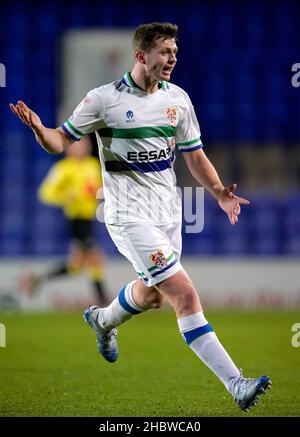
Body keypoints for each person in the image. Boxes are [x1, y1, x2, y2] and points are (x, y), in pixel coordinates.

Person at [10, 22, 271, 412]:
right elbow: (60, 140)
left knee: (152, 296)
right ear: (141, 56)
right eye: (165, 52)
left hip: (168, 213)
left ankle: (102, 320)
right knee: (183, 294)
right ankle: (236, 383)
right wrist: (39, 129)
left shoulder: (178, 100)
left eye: (175, 52)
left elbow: (194, 156)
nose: (173, 58)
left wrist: (218, 193)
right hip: (128, 216)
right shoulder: (103, 100)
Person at [21, 136, 109, 306]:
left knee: (76, 265)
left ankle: (38, 278)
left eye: (85, 144)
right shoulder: (63, 169)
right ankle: (103, 301)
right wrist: (66, 196)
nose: (82, 148)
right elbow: (45, 193)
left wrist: (99, 191)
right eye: (78, 145)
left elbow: (100, 188)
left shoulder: (93, 165)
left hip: (89, 219)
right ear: (69, 148)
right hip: (75, 220)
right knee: (94, 258)